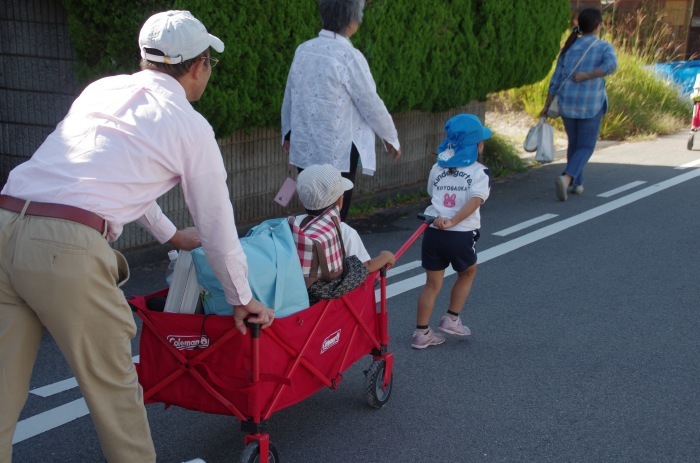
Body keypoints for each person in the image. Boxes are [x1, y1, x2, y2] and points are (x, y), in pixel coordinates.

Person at [0, 10, 273, 463]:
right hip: (65, 250)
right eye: (210, 64)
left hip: (7, 220)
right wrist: (242, 298)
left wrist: (171, 236)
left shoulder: (101, 90)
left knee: (3, 386)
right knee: (116, 390)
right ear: (199, 66)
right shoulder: (189, 126)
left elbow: (107, 173)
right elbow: (217, 226)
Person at [281, 0, 401, 221]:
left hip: (305, 147)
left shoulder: (303, 50)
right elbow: (370, 103)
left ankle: (312, 251)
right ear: (352, 20)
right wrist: (391, 137)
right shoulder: (349, 57)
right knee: (335, 214)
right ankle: (331, 253)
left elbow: (291, 96)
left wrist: (288, 134)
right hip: (336, 151)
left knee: (313, 209)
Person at [412, 114, 491, 349]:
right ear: (477, 146)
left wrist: (443, 219)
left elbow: (431, 193)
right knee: (467, 272)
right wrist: (453, 220)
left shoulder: (437, 168)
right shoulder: (480, 172)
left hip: (433, 231)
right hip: (461, 234)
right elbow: (476, 200)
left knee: (431, 284)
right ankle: (452, 319)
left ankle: (421, 333)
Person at [541, 7, 617, 201]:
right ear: (599, 26)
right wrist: (587, 76)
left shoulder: (569, 47)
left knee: (574, 144)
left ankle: (577, 183)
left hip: (567, 103)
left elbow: (555, 80)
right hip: (590, 104)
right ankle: (566, 178)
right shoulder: (603, 47)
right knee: (586, 146)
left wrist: (547, 105)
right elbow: (611, 66)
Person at [294, 164, 395, 278]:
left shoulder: (293, 226)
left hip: (301, 290)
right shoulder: (344, 231)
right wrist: (386, 257)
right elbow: (364, 266)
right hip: (335, 294)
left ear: (301, 201)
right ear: (339, 202)